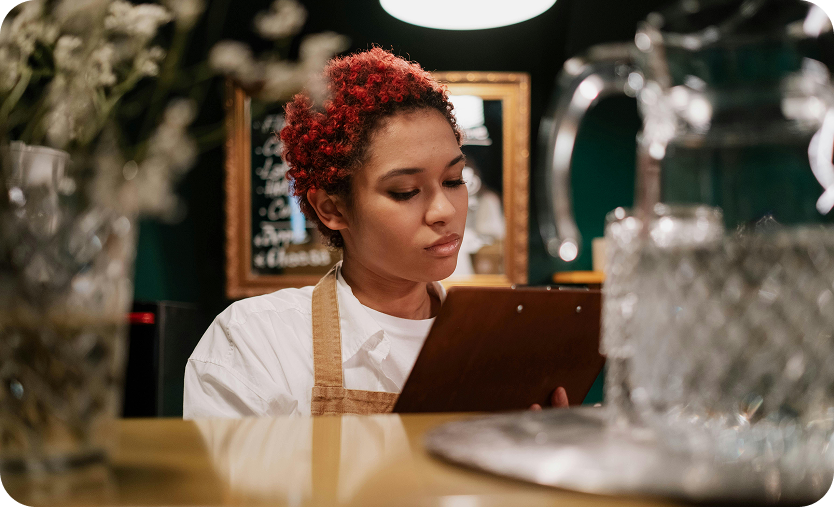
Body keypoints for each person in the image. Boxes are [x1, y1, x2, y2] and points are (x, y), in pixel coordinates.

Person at [183, 48, 567, 418]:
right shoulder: (255, 343)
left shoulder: (497, 347)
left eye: (454, 180)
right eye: (406, 191)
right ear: (332, 209)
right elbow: (231, 486)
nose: (445, 211)